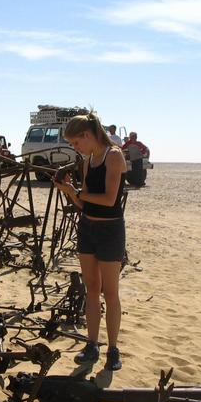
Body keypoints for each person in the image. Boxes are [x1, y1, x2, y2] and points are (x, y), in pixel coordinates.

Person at [53, 111, 127, 371]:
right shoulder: (88, 161)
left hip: (110, 231)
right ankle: (92, 344)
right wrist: (70, 192)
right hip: (87, 228)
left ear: (87, 135)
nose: (76, 148)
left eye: (76, 142)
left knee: (111, 292)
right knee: (92, 290)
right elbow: (83, 203)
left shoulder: (114, 156)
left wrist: (78, 192)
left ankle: (113, 349)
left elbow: (108, 199)